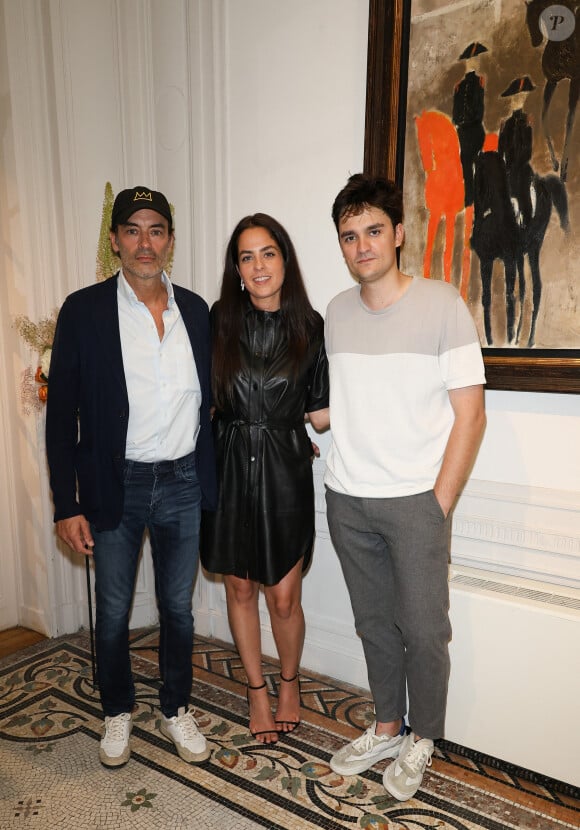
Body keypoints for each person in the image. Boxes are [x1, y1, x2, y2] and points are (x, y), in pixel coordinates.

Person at [325, 174, 486, 800]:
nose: (361, 246)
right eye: (348, 236)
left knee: (424, 630)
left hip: (417, 501)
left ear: (397, 233)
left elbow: (470, 414)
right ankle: (388, 724)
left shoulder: (444, 304)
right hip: (347, 499)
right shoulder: (337, 313)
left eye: (372, 231)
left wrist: (437, 503)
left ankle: (425, 736)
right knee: (374, 625)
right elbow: (343, 403)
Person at [46, 186, 217, 768]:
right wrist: (64, 504)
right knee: (114, 609)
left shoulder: (195, 310)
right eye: (134, 230)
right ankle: (117, 709)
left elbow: (210, 403)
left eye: (157, 230)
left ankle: (175, 708)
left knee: (178, 609)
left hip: (182, 482)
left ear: (170, 240)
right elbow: (60, 413)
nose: (146, 242)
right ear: (115, 240)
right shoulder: (84, 310)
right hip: (114, 483)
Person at [200, 213, 329, 744]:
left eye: (268, 253)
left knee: (282, 596)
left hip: (283, 469)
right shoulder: (216, 322)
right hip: (227, 464)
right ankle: (256, 690)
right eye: (247, 256)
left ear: (285, 259)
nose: (258, 266)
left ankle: (290, 681)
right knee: (239, 585)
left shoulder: (311, 325)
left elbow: (320, 410)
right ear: (236, 268)